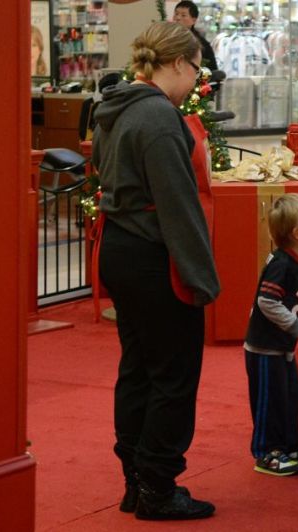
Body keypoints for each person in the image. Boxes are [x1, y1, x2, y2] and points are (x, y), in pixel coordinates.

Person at [92, 21, 220, 520]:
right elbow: (179, 208)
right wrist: (203, 279)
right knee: (173, 374)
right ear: (174, 64)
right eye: (195, 67)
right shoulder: (159, 118)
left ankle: (137, 480)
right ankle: (158, 487)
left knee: (139, 368)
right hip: (154, 255)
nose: (196, 77)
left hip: (121, 248)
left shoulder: (117, 107)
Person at [244, 194, 298, 476]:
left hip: (281, 347)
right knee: (269, 400)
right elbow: (266, 302)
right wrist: (297, 326)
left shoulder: (293, 261)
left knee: (289, 396)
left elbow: (284, 299)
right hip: (265, 349)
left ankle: (288, 446)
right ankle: (266, 453)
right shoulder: (281, 264)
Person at [173, 0, 218, 72]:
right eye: (176, 14)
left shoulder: (202, 44)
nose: (177, 18)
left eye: (183, 15)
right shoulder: (168, 39)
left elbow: (212, 70)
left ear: (193, 20)